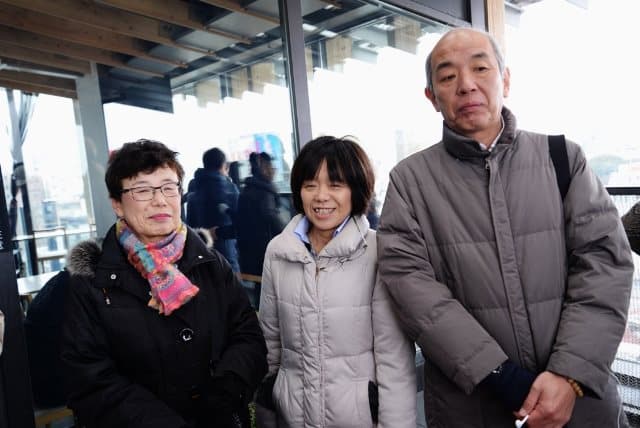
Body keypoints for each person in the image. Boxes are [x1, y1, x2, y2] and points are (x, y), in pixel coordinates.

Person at [376, 28, 634, 428]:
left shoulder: (563, 158)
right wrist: (502, 376)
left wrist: (569, 376)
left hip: (582, 404)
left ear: (506, 80)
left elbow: (604, 264)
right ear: (431, 97)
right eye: (448, 76)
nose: (466, 84)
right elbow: (412, 289)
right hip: (473, 408)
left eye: (480, 68)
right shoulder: (409, 182)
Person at [60, 139, 267, 428]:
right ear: (117, 204)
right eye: (143, 190)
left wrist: (227, 390)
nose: (160, 200)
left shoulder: (210, 263)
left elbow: (248, 336)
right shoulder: (93, 281)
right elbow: (90, 380)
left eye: (169, 187)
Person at [257, 136, 416, 427]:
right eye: (310, 185)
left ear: (356, 190)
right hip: (293, 417)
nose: (321, 196)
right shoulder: (278, 252)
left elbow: (394, 360)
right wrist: (267, 408)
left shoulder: (377, 252)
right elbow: (271, 345)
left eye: (335, 185)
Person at [186, 147, 240, 272]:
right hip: (226, 250)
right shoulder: (229, 188)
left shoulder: (194, 189)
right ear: (223, 165)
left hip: (202, 248)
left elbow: (190, 225)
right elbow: (240, 221)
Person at [236, 152, 287, 278]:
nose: (273, 171)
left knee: (261, 285)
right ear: (264, 169)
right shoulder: (264, 192)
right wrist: (290, 234)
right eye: (271, 167)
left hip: (251, 250)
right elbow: (271, 217)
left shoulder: (247, 190)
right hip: (265, 249)